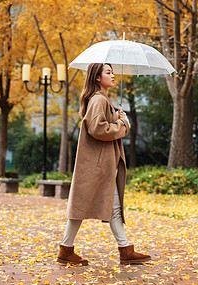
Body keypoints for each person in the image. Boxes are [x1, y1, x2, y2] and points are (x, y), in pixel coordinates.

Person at [57, 63, 151, 266]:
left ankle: (122, 249)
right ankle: (121, 250)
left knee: (105, 208)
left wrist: (115, 118)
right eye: (108, 72)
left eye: (112, 71)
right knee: (82, 208)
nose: (113, 75)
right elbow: (98, 129)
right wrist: (124, 124)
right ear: (97, 77)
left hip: (101, 165)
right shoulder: (99, 99)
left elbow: (99, 124)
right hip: (99, 166)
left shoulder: (101, 99)